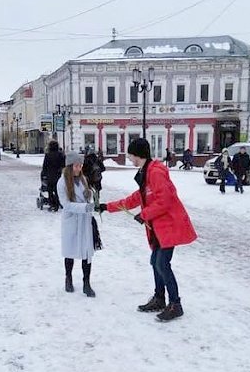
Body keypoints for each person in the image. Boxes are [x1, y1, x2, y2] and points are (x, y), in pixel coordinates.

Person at [97, 138, 197, 322]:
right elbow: (135, 199)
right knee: (155, 262)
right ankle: (160, 298)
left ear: (138, 155)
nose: (129, 158)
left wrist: (145, 214)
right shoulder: (146, 172)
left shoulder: (156, 173)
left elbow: (165, 201)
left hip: (169, 226)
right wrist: (106, 206)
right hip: (158, 228)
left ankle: (176, 304)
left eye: (131, 155)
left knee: (162, 264)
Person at [57, 151, 97, 297]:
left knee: (87, 252)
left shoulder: (83, 179)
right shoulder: (62, 182)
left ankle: (87, 283)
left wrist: (90, 195)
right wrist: (84, 207)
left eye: (80, 166)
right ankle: (68, 278)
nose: (79, 168)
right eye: (76, 166)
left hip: (85, 221)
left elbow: (87, 196)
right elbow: (65, 205)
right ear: (69, 166)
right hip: (71, 221)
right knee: (70, 251)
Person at [41, 140, 65, 212]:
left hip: (50, 176)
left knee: (50, 191)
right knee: (57, 191)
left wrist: (44, 174)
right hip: (58, 176)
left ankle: (52, 205)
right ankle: (57, 204)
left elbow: (44, 166)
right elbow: (63, 164)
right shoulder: (60, 154)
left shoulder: (48, 155)